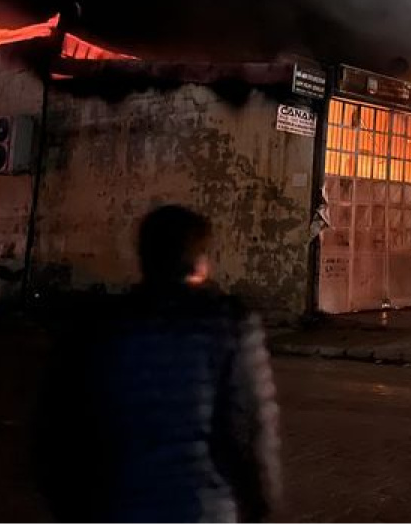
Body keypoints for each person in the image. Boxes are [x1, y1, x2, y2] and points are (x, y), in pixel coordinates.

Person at [35, 205, 281, 523]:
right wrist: (260, 504)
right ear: (201, 262)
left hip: (119, 507)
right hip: (202, 508)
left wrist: (73, 508)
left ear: (143, 258)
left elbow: (57, 432)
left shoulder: (97, 328)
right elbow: (250, 430)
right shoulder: (229, 326)